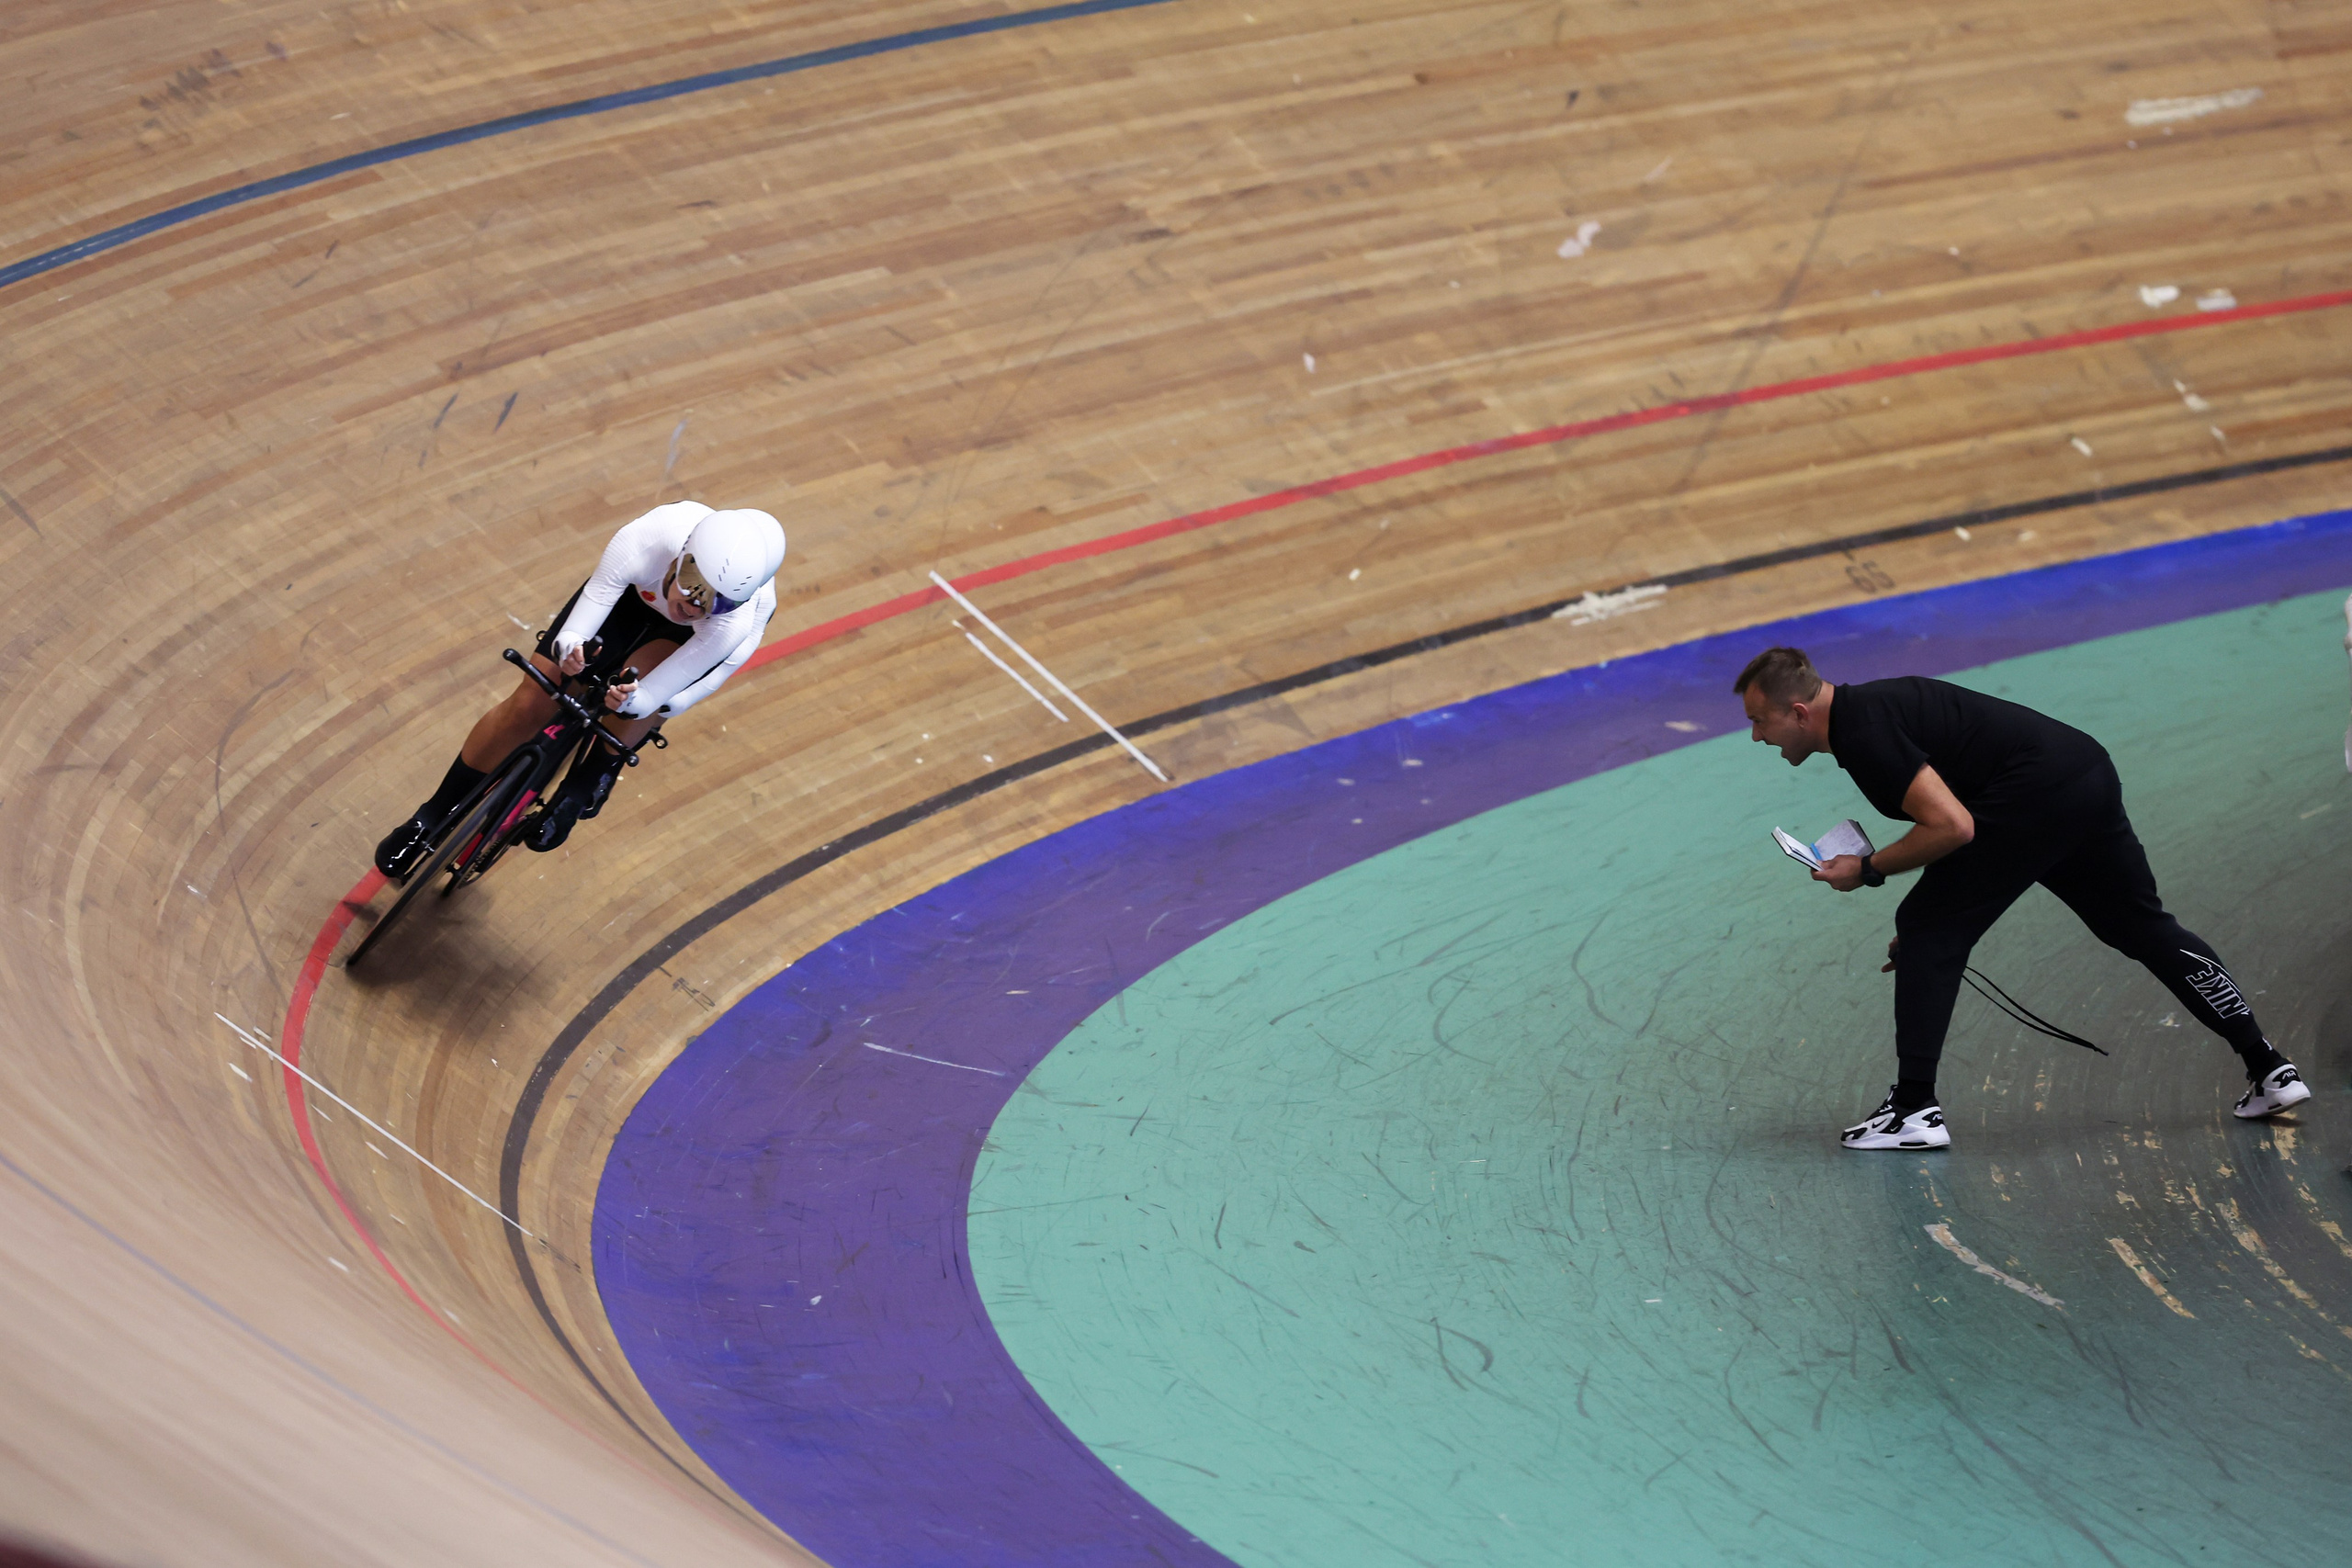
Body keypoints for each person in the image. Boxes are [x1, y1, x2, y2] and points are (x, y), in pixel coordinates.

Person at [1734, 646, 2309, 1151]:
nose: (1757, 736)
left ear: (1800, 713)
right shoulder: (1872, 709)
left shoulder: (1864, 732)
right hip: (2082, 772)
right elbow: (1967, 825)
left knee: (1928, 927)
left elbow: (1954, 827)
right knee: (2139, 925)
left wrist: (1869, 869)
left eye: (1761, 722)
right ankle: (2267, 1065)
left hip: (2035, 795)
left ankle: (1913, 1111)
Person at [374, 501, 786, 878]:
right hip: (630, 594)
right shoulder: (649, 539)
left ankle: (592, 775)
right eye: (694, 584)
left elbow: (664, 695)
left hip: (693, 643)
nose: (696, 605)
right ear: (681, 555)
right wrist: (570, 650)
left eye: (718, 600)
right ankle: (430, 816)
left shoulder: (732, 623)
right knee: (532, 700)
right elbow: (577, 629)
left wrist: (634, 700)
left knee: (637, 698)